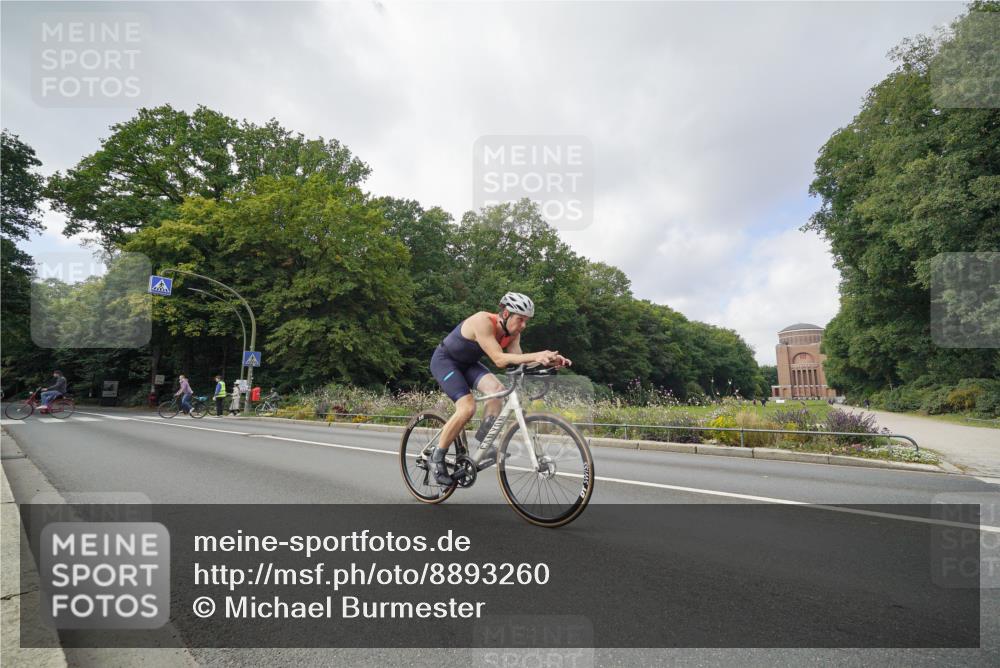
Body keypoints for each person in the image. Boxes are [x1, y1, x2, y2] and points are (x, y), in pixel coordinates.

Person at [426, 292, 571, 485]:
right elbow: (499, 360)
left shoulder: (513, 335)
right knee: (467, 407)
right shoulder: (482, 321)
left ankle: (483, 440)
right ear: (505, 314)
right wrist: (537, 354)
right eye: (520, 319)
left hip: (469, 364)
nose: (523, 325)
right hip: (445, 361)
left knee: (497, 390)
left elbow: (519, 364)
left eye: (526, 321)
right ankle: (437, 457)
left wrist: (549, 362)